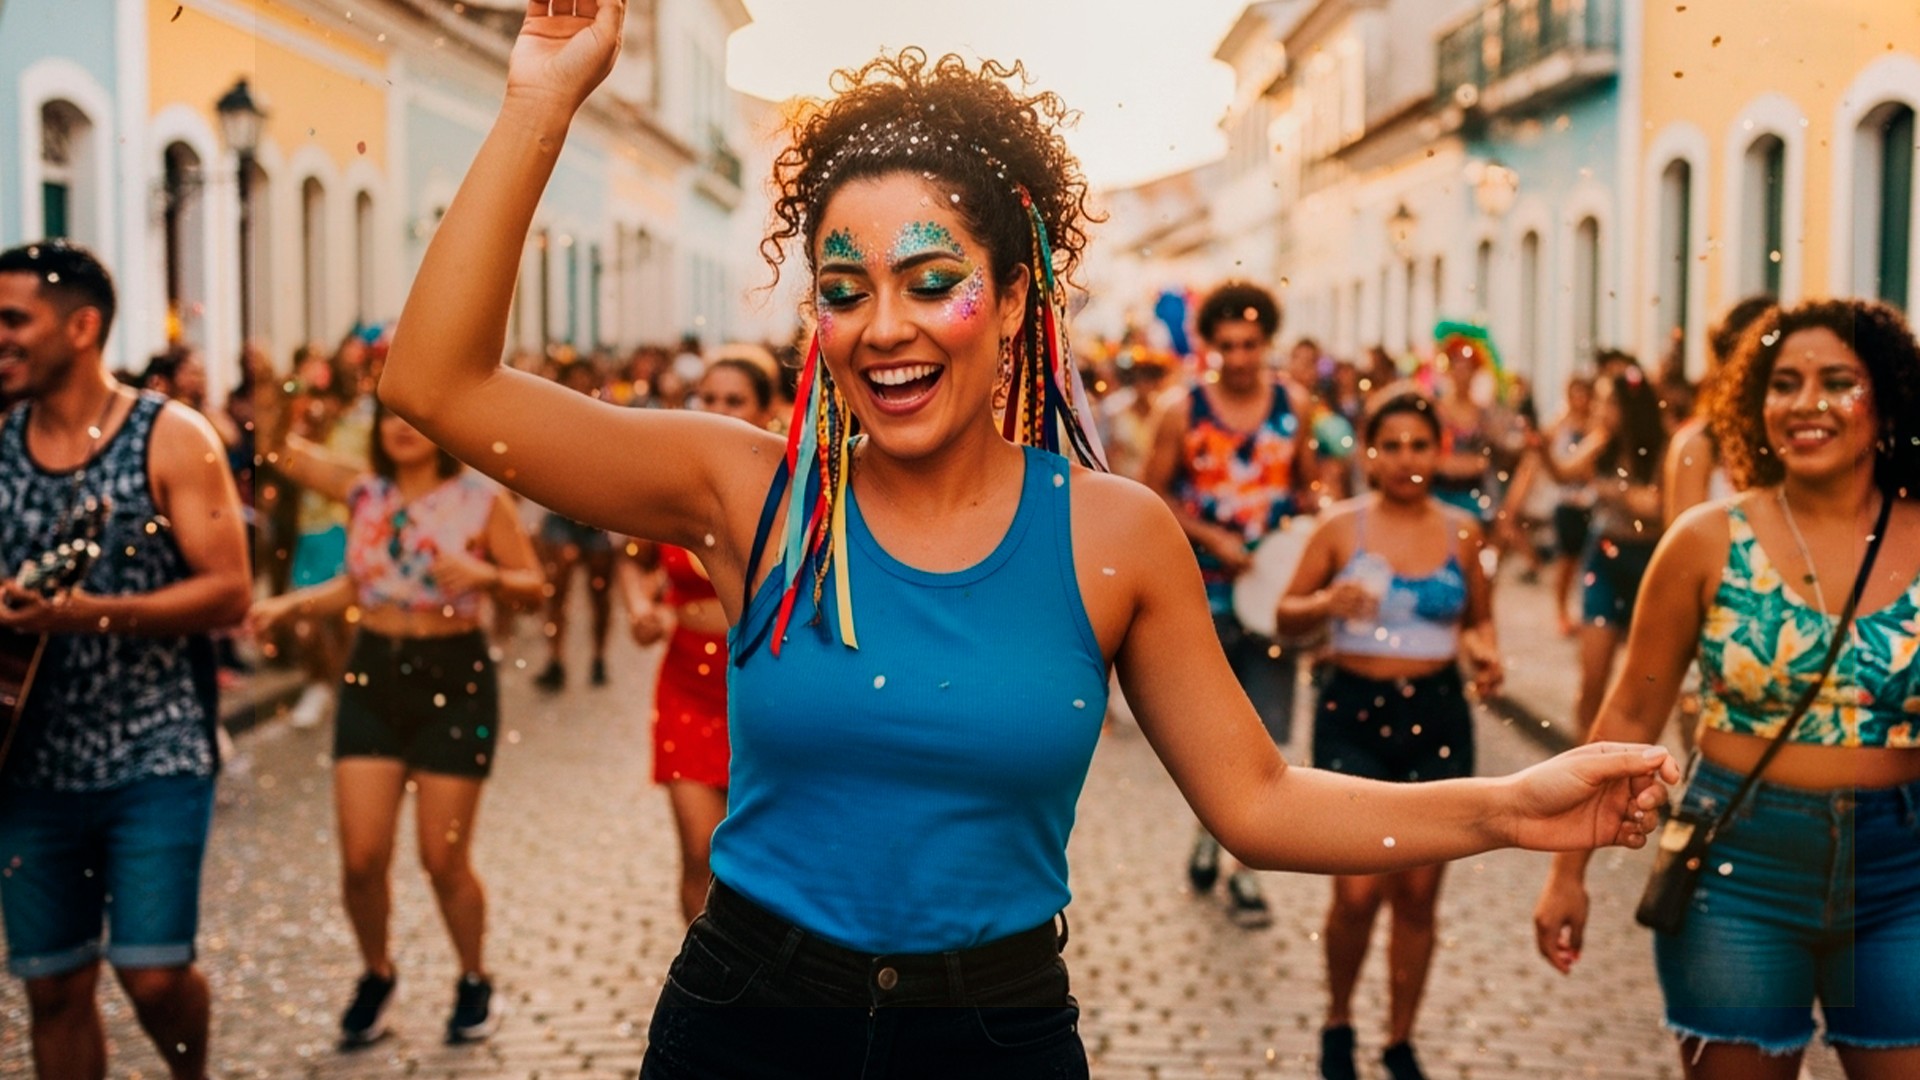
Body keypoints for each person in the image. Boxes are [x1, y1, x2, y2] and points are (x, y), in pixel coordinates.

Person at [379, 18, 1675, 1075]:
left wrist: (1507, 806)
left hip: (992, 1034)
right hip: (749, 1021)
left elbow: (1261, 804)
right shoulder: (745, 493)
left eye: (930, 279)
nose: (883, 325)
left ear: (1012, 299)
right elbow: (436, 384)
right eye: (843, 289)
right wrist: (542, 102)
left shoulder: (1114, 537)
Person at [1533, 298, 1920, 1080]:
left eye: (1836, 381)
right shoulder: (1707, 539)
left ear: (1884, 400)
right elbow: (1631, 712)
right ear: (1755, 404)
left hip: (1903, 875)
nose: (1805, 402)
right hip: (1740, 862)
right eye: (1783, 383)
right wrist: (1565, 874)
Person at [0, 240, 251, 1080]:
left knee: (151, 972)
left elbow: (228, 593)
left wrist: (80, 614)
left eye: (12, 319)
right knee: (53, 989)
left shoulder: (171, 437)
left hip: (156, 748)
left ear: (82, 326)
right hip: (24, 761)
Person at [250, 389, 543, 1048]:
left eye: (417, 416)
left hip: (455, 679)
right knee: (361, 859)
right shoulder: (365, 494)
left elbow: (533, 585)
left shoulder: (479, 498)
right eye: (392, 416)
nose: (403, 428)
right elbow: (355, 574)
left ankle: (473, 979)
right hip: (373, 673)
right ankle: (376, 974)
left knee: (442, 859)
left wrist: (484, 576)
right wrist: (291, 606)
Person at [1276, 389, 1501, 1080]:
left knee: (1417, 892)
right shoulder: (1341, 529)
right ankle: (1339, 1019)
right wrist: (1324, 603)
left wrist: (1488, 655)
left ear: (1439, 451)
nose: (1407, 459)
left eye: (1420, 445)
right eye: (1392, 446)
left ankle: (1400, 1040)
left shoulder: (1463, 532)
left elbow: (1478, 620)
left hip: (1436, 715)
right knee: (1355, 891)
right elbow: (1285, 617)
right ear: (1370, 454)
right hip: (1354, 711)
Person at [1144, 280, 1318, 928]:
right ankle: (1210, 827)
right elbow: (1152, 493)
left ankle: (1247, 872)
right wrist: (1214, 535)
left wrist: (1299, 534)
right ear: (1209, 347)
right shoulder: (1180, 411)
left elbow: (1308, 488)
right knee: (1216, 736)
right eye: (1228, 347)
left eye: (1251, 345)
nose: (1241, 358)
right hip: (1203, 596)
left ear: (1266, 343)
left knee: (1268, 737)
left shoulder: (1293, 406)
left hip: (1274, 597)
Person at [619, 358, 777, 923]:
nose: (717, 412)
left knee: (762, 863)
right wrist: (641, 607)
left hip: (765, 690)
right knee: (698, 851)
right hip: (687, 685)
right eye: (707, 399)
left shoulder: (790, 488)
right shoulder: (674, 489)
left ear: (767, 409)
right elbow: (633, 561)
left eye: (734, 401)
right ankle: (709, 984)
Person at [1540, 361, 1668, 735]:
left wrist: (1613, 490)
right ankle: (1584, 755)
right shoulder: (1601, 441)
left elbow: (1656, 507)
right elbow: (1563, 475)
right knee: (1592, 674)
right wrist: (1543, 449)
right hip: (1605, 558)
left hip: (1648, 562)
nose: (1598, 410)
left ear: (1628, 406)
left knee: (1641, 683)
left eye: (1606, 402)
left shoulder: (1662, 445)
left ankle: (1632, 763)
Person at [532, 358, 617, 690]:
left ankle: (598, 656)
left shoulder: (611, 421)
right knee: (557, 593)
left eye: (586, 380)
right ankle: (555, 659)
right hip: (560, 517)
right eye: (574, 381)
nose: (580, 387)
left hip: (598, 519)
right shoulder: (553, 420)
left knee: (599, 595)